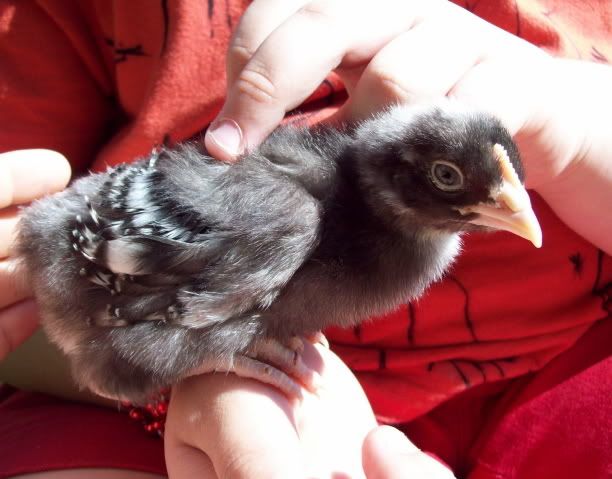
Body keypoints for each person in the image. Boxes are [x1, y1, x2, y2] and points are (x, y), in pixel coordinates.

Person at [0, 0, 610, 478]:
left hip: (561, 378)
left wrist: (580, 137)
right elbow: (47, 260)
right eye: (447, 178)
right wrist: (179, 380)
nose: (515, 212)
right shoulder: (284, 219)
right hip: (132, 414)